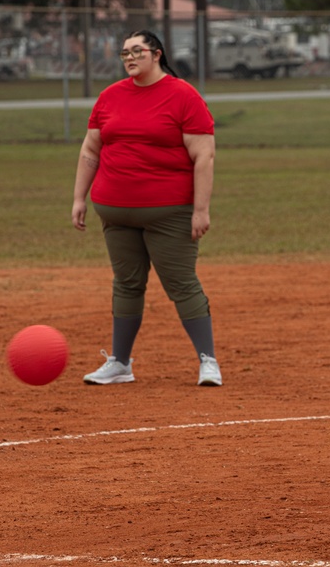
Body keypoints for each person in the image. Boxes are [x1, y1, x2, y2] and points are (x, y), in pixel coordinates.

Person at [71, 29, 222, 387]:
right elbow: (90, 150)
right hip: (115, 211)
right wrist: (79, 197)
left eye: (137, 51)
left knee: (181, 284)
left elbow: (204, 155)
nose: (130, 57)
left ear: (157, 54)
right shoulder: (110, 97)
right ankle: (120, 363)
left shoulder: (183, 96)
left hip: (169, 211)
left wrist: (200, 209)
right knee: (126, 284)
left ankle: (208, 361)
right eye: (124, 53)